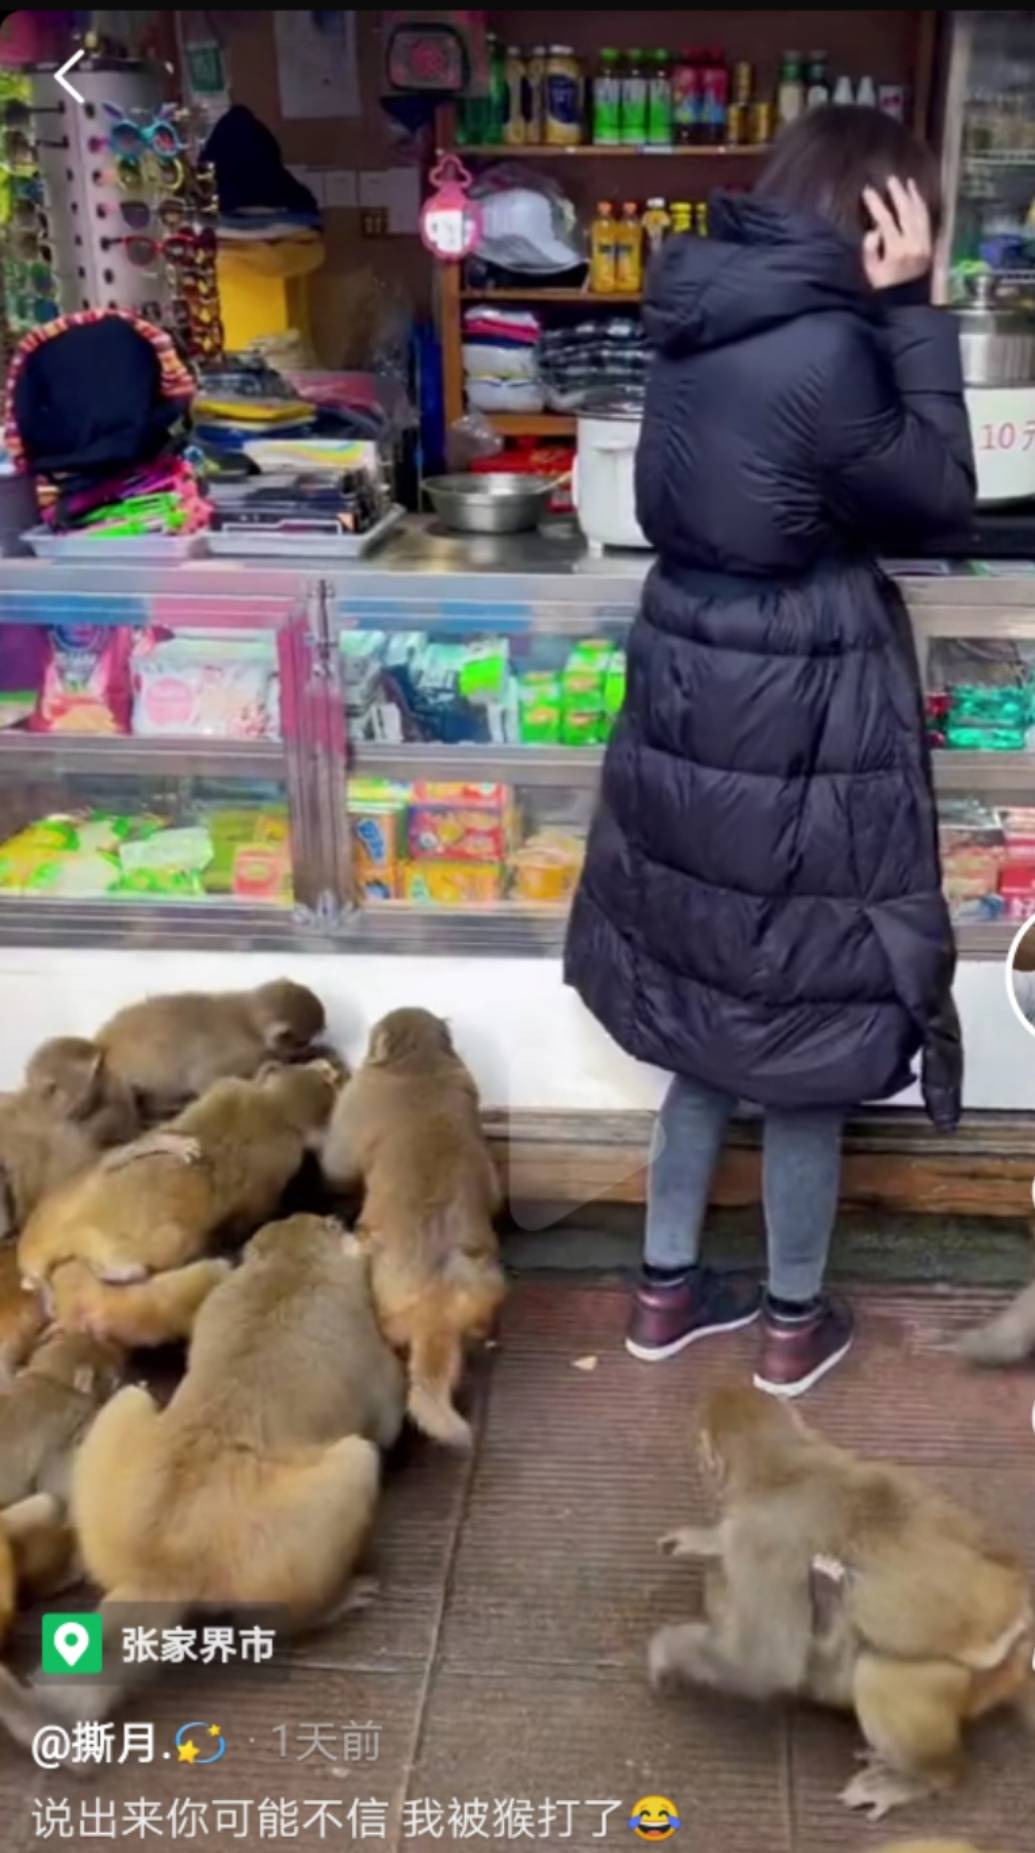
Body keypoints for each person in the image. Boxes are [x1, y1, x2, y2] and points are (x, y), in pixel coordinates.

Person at [564, 106, 976, 1397]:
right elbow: (941, 493)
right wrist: (915, 312)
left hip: (688, 667)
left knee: (701, 1020)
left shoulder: (697, 321)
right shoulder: (836, 344)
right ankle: (794, 1322)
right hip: (803, 693)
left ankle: (661, 1296)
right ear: (886, 215)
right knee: (804, 1031)